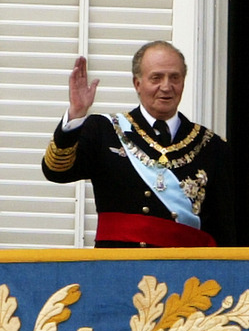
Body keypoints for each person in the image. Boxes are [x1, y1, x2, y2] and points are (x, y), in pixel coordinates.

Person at [42, 41, 236, 247]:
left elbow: (223, 229)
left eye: (175, 78)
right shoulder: (104, 131)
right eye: (156, 78)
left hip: (184, 272)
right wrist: (76, 114)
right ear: (137, 83)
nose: (166, 86)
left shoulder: (211, 146)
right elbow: (56, 171)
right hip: (117, 268)